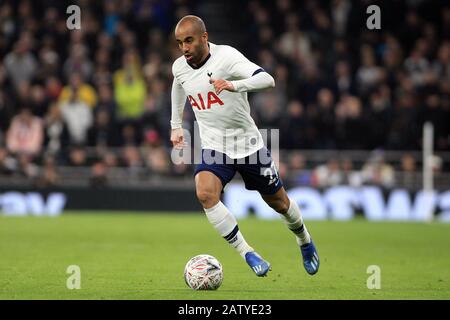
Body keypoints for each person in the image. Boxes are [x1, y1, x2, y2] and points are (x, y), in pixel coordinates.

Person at [170, 15, 319, 277]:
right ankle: (247, 252)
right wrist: (176, 124)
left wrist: (234, 85)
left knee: (280, 203)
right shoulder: (180, 67)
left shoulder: (226, 57)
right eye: (180, 43)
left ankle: (304, 240)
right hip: (215, 146)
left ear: (204, 38)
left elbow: (267, 79)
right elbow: (179, 85)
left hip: (248, 145)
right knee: (205, 194)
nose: (184, 48)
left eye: (189, 41)